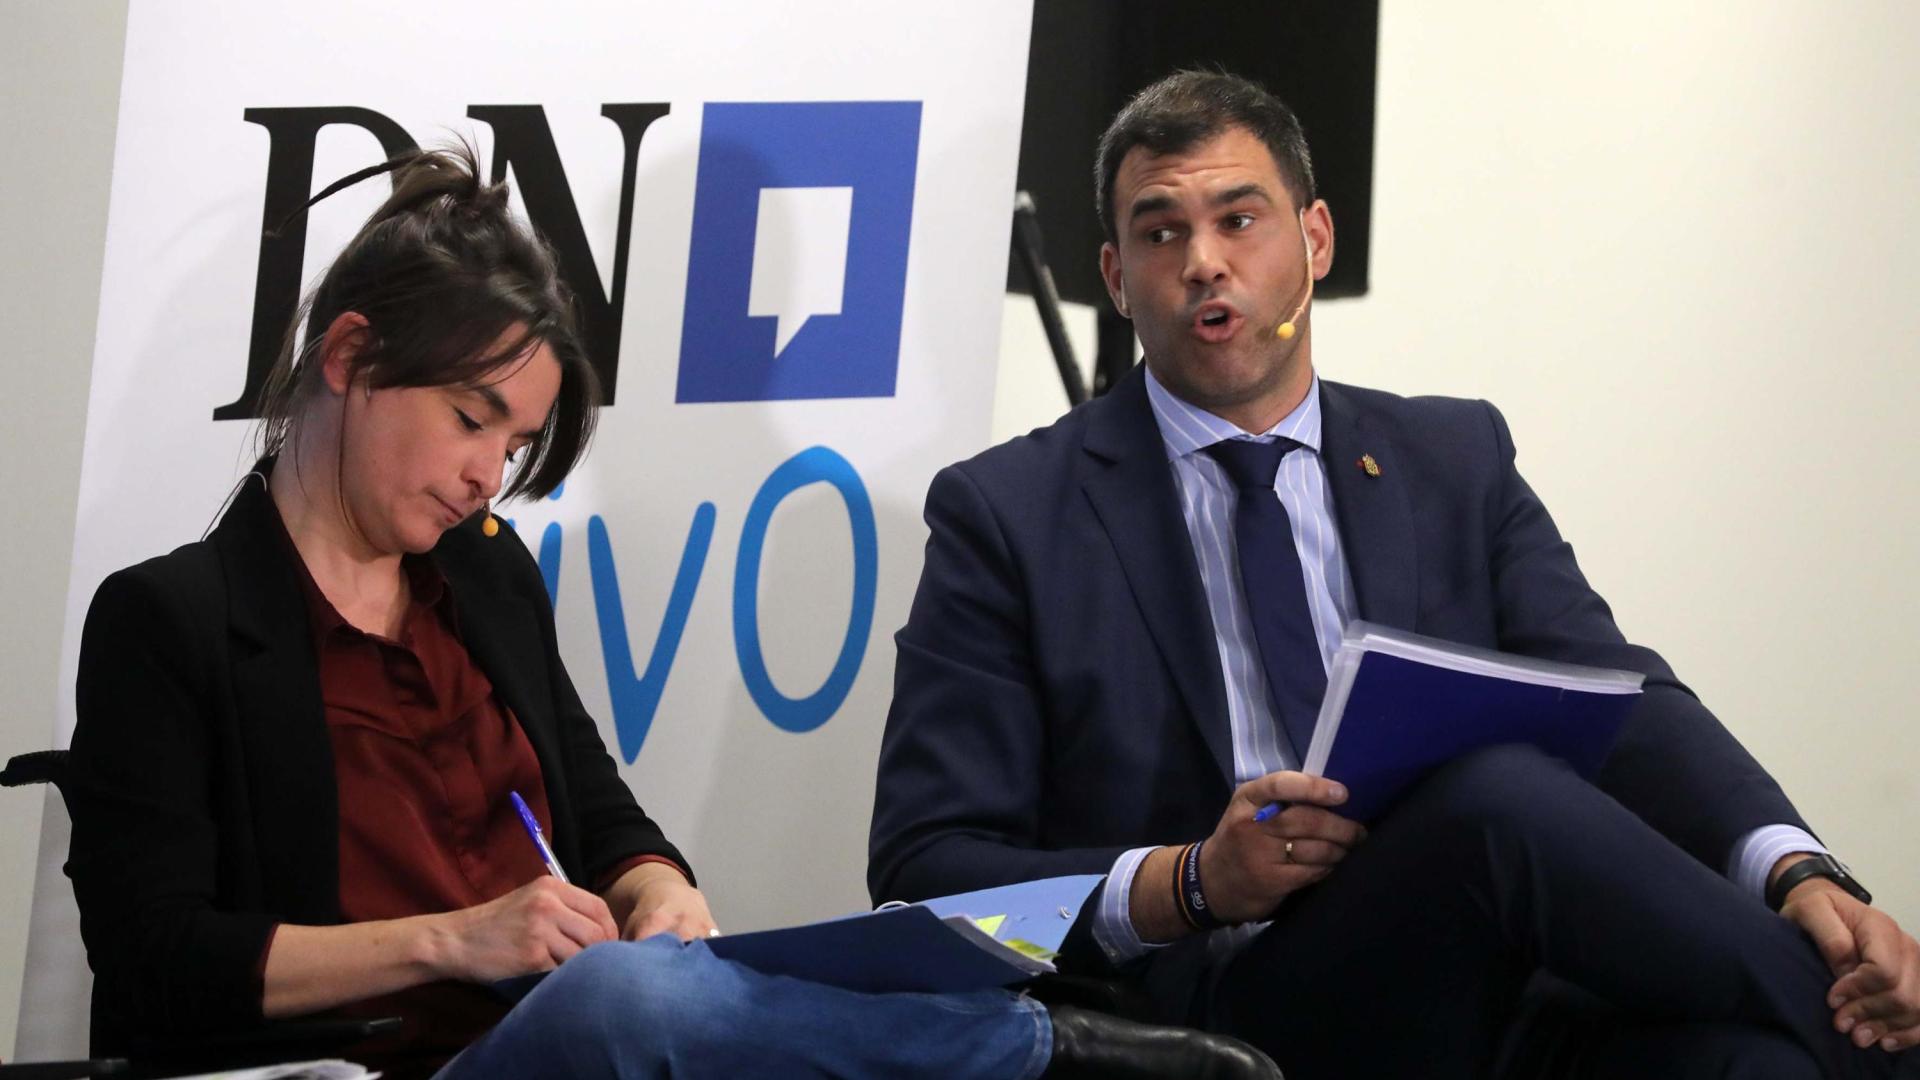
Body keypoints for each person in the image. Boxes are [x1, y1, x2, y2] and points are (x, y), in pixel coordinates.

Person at [62, 143, 1283, 1080]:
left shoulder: (482, 574)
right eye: (472, 420)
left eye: (520, 440)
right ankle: (1043, 1055)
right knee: (623, 1005)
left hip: (572, 1034)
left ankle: (990, 1026)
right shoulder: (171, 619)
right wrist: (459, 937)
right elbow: (159, 962)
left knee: (764, 962)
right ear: (348, 358)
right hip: (398, 1059)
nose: (491, 473)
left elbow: (600, 814)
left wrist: (655, 891)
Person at [869, 70, 1920, 1079]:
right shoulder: (1009, 512)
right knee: (1497, 798)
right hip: (1244, 1009)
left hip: (1498, 990)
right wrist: (1188, 881)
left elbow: (1621, 694)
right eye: (1161, 232)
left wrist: (1792, 867)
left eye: (1240, 220)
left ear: (1316, 239)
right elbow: (926, 869)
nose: (1202, 262)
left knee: (1765, 1061)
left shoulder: (1452, 459)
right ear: (1115, 278)